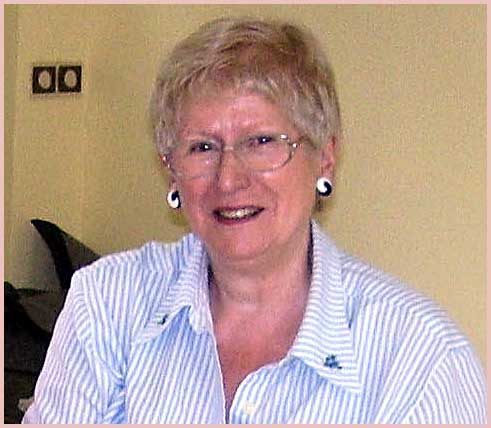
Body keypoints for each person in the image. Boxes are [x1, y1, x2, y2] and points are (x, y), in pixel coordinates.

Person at [23, 17, 486, 424]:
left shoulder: (420, 358)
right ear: (171, 169)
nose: (229, 178)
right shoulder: (107, 304)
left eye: (262, 142)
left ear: (325, 157)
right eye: (202, 147)